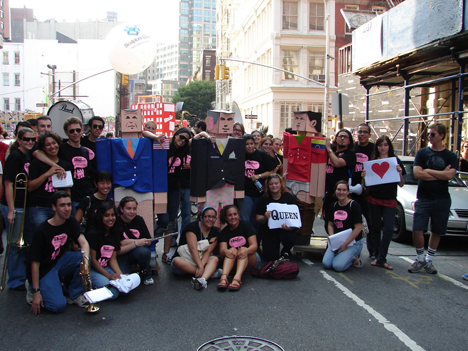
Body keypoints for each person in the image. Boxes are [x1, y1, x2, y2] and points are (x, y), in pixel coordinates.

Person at [26, 191, 90, 314]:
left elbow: (84, 243)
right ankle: (32, 286)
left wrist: (86, 263)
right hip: (44, 269)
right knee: (58, 306)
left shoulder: (71, 221)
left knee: (83, 258)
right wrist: (36, 292)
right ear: (54, 207)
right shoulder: (41, 231)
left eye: (69, 205)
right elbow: (34, 263)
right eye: (62, 205)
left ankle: (75, 295)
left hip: (59, 261)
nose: (66, 209)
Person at [409, 122, 458, 274]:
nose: (429, 136)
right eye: (428, 134)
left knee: (437, 230)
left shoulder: (450, 156)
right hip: (424, 197)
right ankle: (420, 258)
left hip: (442, 198)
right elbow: (417, 174)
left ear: (442, 136)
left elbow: (450, 176)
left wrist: (428, 171)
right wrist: (440, 174)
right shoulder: (422, 153)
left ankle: (429, 260)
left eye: (433, 134)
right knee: (417, 229)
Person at [362, 136, 405, 270]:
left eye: (385, 145)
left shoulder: (395, 162)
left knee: (388, 229)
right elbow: (366, 185)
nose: (383, 147)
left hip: (390, 199)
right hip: (374, 198)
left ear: (389, 147)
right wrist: (363, 178)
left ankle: (382, 257)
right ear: (377, 147)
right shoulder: (372, 162)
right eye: (380, 145)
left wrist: (400, 173)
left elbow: (402, 183)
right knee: (374, 227)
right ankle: (377, 255)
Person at [0, 127, 35, 290]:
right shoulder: (14, 157)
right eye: (26, 139)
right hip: (14, 205)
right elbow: (8, 184)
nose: (29, 142)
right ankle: (15, 280)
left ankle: (24, 275)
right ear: (19, 140)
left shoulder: (29, 154)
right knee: (14, 244)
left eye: (32, 139)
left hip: (25, 204)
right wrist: (11, 210)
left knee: (25, 242)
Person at [156, 127, 192, 264]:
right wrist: (155, 137)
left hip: (174, 188)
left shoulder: (185, 153)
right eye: (180, 137)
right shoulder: (164, 145)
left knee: (171, 220)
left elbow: (201, 137)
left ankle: (166, 253)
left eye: (185, 139)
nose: (182, 141)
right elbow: (144, 133)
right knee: (163, 220)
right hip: (160, 188)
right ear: (175, 135)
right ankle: (152, 242)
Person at [28, 131, 73, 232]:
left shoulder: (66, 165)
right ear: (43, 148)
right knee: (43, 235)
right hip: (40, 206)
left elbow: (67, 190)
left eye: (54, 143)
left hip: (59, 208)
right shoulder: (36, 164)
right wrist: (47, 174)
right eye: (48, 144)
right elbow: (30, 187)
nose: (52, 146)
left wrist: (67, 207)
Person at [171, 207, 220, 290]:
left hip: (202, 260)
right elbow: (193, 248)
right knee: (177, 261)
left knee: (214, 259)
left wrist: (201, 266)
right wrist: (200, 267)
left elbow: (208, 252)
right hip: (186, 260)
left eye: (213, 217)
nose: (210, 219)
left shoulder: (216, 231)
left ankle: (202, 280)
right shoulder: (192, 227)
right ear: (201, 218)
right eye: (207, 216)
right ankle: (209, 273)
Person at [322, 180, 364, 272]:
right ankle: (342, 255)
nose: (341, 192)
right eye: (339, 189)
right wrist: (333, 239)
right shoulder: (334, 205)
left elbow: (358, 228)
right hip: (338, 241)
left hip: (352, 242)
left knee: (337, 266)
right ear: (335, 191)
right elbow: (330, 224)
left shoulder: (354, 205)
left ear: (348, 192)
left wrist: (345, 244)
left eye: (344, 190)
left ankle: (354, 258)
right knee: (326, 264)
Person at [86, 202, 125, 299]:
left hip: (105, 266)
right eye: (106, 215)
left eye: (113, 215)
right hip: (93, 269)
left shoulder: (115, 233)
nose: (111, 218)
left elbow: (113, 259)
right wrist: (109, 275)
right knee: (114, 293)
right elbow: (93, 261)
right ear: (100, 217)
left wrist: (122, 276)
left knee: (122, 287)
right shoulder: (93, 234)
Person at [256, 174, 298, 260]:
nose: (274, 186)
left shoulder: (290, 198)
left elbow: (296, 219)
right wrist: (264, 217)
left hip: (286, 230)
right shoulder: (263, 199)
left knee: (290, 236)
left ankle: (286, 250)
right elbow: (258, 218)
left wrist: (290, 228)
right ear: (268, 185)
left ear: (280, 184)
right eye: (271, 184)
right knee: (270, 257)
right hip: (269, 230)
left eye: (276, 183)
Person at [238, 134, 277, 227]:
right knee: (245, 219)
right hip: (245, 193)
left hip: (260, 192)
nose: (249, 146)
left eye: (251, 143)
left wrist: (259, 176)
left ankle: (255, 240)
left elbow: (270, 171)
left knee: (256, 220)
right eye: (247, 144)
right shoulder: (239, 155)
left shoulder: (261, 154)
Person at [217, 205, 259, 291]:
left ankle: (237, 278)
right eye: (230, 215)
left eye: (235, 214)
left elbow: (254, 246)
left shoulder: (246, 226)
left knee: (242, 249)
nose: (233, 217)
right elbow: (222, 250)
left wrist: (246, 250)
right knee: (231, 250)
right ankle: (224, 277)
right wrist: (226, 251)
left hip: (250, 258)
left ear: (239, 215)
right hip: (233, 260)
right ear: (225, 217)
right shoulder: (224, 232)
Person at [59, 117, 94, 215]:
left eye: (78, 130)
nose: (75, 133)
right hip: (72, 197)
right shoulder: (61, 149)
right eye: (71, 131)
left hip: (87, 195)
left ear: (82, 130)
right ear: (66, 133)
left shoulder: (85, 151)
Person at [115, 196, 154, 286]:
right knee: (124, 278)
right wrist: (137, 243)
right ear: (121, 209)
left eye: (134, 209)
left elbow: (148, 241)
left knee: (143, 252)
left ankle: (147, 274)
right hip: (121, 255)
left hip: (136, 252)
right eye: (128, 208)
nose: (132, 212)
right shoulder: (116, 222)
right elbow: (118, 249)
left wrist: (126, 242)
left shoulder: (139, 219)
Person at [352, 123, 376, 259]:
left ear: (369, 135)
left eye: (365, 132)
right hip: (352, 190)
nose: (362, 134)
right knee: (353, 222)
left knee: (370, 222)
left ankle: (372, 251)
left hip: (368, 191)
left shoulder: (373, 149)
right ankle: (355, 251)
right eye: (360, 132)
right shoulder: (352, 147)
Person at [323, 129, 356, 221]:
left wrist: (328, 148)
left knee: (339, 221)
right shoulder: (331, 150)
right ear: (336, 138)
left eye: (345, 137)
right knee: (328, 221)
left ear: (349, 141)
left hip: (341, 194)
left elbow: (337, 163)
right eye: (340, 136)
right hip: (328, 192)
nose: (342, 138)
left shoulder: (350, 154)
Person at [75, 170, 114, 234]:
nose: (105, 186)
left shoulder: (110, 202)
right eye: (102, 183)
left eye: (108, 183)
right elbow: (76, 223)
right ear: (96, 184)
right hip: (88, 238)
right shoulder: (87, 201)